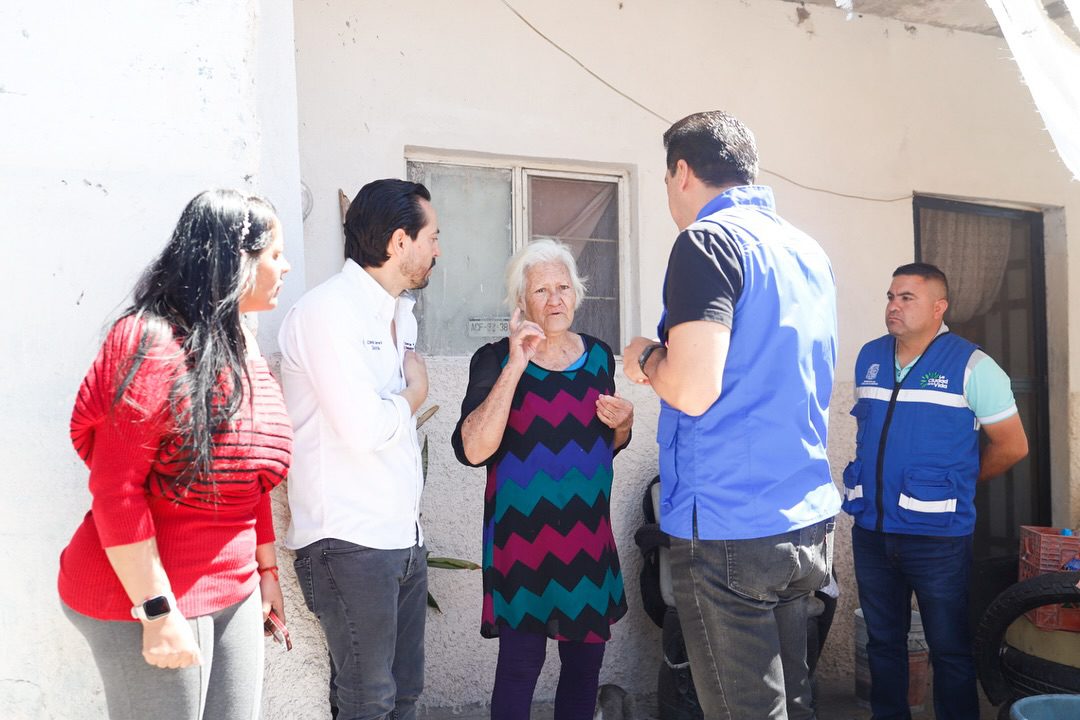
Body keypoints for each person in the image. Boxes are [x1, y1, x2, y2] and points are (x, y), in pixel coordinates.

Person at [623, 110, 840, 720]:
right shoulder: (806, 250)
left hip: (730, 525)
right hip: (805, 520)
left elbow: (692, 389)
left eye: (666, 179)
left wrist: (645, 357)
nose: (669, 194)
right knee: (792, 703)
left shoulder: (707, 241)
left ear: (683, 171)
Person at [58, 188, 293, 720]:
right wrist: (157, 611)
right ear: (238, 260)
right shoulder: (147, 343)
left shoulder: (240, 343)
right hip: (140, 594)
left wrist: (267, 569)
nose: (286, 266)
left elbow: (245, 476)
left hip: (232, 588)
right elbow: (115, 492)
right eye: (275, 254)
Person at [452, 239, 633, 720]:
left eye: (563, 287)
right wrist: (517, 360)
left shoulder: (600, 357)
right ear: (521, 302)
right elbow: (473, 449)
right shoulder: (494, 359)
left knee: (584, 667)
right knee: (519, 666)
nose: (555, 300)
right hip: (522, 542)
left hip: (587, 538)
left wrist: (624, 423)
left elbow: (605, 446)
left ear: (577, 291)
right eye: (541, 291)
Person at [278, 178, 438, 720]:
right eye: (432, 236)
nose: (437, 249)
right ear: (399, 242)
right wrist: (414, 394)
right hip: (349, 540)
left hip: (402, 537)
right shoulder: (328, 313)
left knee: (406, 692)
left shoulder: (399, 313)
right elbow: (364, 428)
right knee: (367, 700)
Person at [844, 263, 1028, 720]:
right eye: (891, 296)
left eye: (907, 298)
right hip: (871, 530)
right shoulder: (869, 355)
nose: (893, 306)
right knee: (884, 642)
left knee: (949, 647)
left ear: (939, 307)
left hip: (937, 538)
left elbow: (1012, 445)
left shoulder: (973, 366)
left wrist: (966, 480)